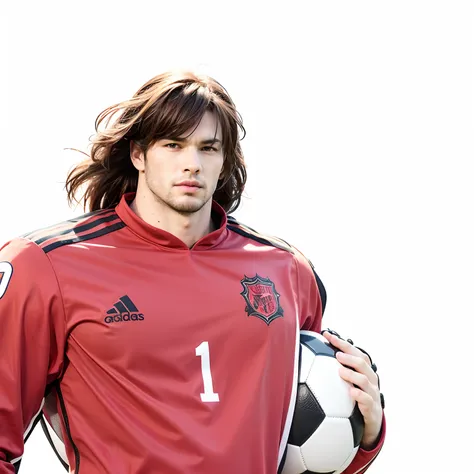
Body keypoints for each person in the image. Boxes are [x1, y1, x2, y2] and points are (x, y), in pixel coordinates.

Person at [0, 70, 386, 474]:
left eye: (208, 148)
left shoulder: (285, 271)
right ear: (138, 154)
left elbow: (304, 447)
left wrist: (367, 434)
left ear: (225, 160)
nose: (192, 164)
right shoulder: (45, 266)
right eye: (173, 145)